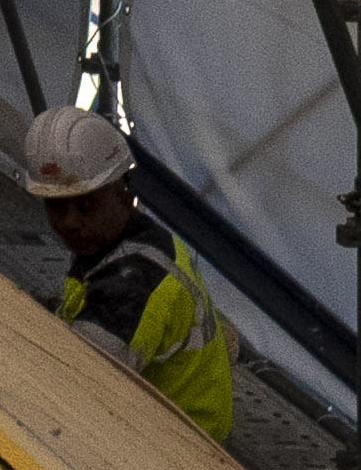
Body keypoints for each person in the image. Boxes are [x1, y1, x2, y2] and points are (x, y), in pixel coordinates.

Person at [24, 103, 238, 436]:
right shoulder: (115, 242)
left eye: (85, 205)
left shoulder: (136, 283)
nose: (70, 222)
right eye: (56, 206)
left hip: (181, 451)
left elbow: (76, 387)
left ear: (125, 197)